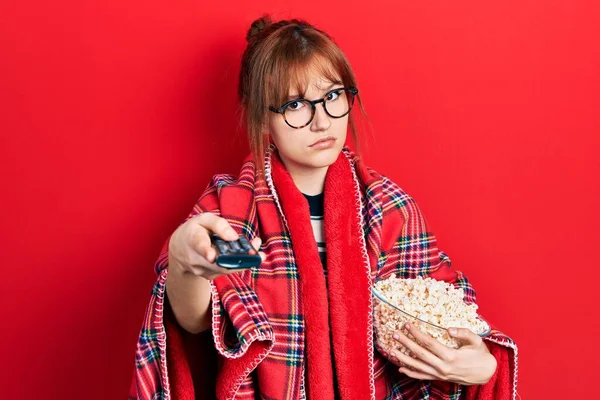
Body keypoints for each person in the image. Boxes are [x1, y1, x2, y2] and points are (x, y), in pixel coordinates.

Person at [129, 15, 518, 400]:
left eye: (332, 96)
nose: (321, 122)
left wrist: (486, 366)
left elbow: (450, 314)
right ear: (262, 119)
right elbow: (194, 324)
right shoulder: (230, 209)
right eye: (296, 104)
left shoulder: (390, 207)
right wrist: (184, 261)